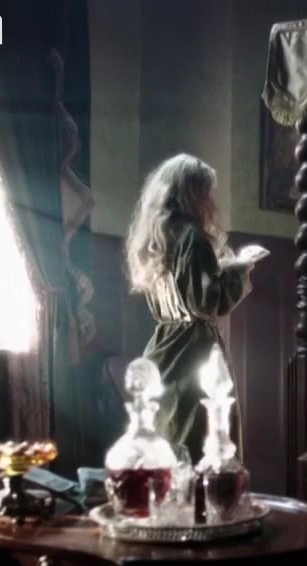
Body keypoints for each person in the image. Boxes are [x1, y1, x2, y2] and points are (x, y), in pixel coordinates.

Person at [124, 153, 254, 458]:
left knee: (166, 439)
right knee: (202, 443)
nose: (210, 200)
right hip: (194, 353)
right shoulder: (192, 238)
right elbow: (207, 303)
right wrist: (240, 271)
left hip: (162, 348)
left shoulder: (158, 236)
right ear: (192, 192)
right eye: (205, 191)